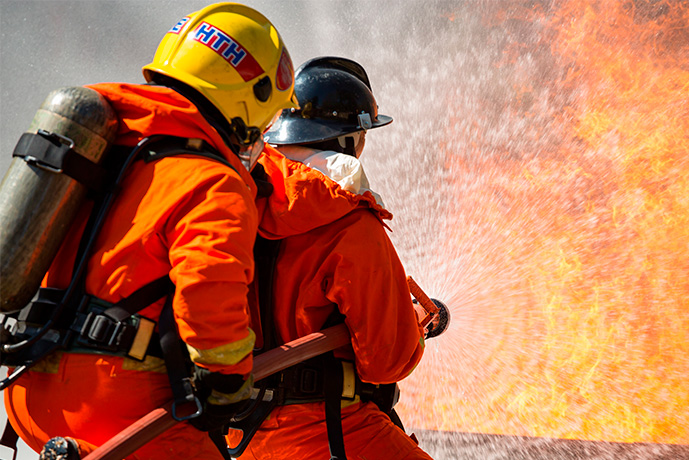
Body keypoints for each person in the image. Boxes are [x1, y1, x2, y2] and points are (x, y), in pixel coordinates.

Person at [2, 3, 297, 459]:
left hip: (27, 394)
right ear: (248, 98)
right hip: (118, 412)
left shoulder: (110, 148)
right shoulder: (211, 181)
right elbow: (210, 294)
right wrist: (228, 384)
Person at [229, 57, 433, 460]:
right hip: (332, 431)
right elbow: (386, 362)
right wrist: (416, 322)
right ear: (346, 142)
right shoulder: (350, 223)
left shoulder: (234, 201)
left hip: (237, 435)